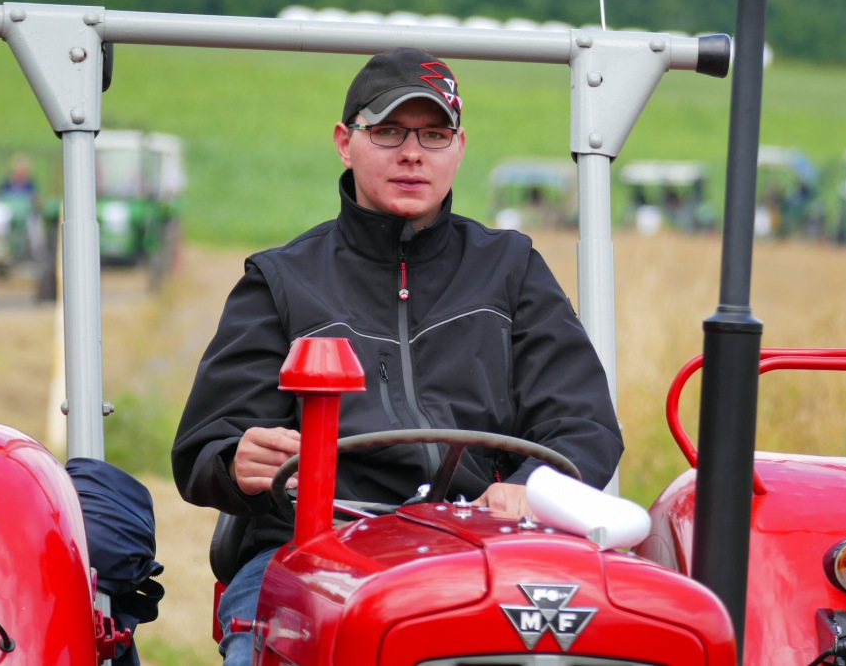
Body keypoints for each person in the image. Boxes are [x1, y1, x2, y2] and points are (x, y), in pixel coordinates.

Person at [171, 46, 623, 666]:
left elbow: (584, 422)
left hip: (485, 542)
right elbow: (206, 447)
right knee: (267, 636)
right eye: (388, 132)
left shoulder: (511, 269)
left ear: (459, 149)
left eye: (434, 135)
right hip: (320, 547)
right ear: (344, 141)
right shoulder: (280, 280)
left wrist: (526, 490)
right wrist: (236, 461)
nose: (413, 153)